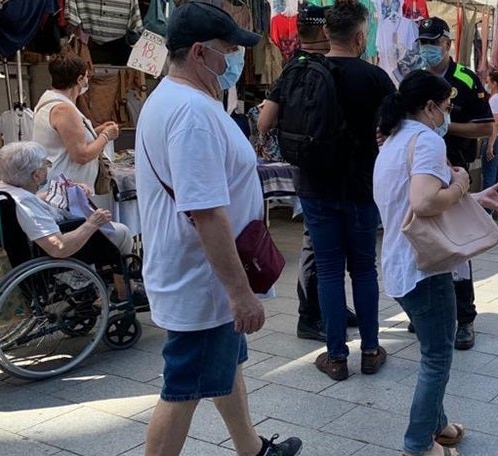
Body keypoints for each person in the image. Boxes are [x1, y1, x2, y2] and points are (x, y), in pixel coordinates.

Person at [135, 3, 302, 455]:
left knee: (225, 366)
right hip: (204, 279)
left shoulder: (173, 99)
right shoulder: (192, 113)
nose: (236, 59)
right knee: (183, 388)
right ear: (198, 53)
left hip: (198, 273)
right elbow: (206, 212)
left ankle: (252, 449)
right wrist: (239, 293)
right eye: (229, 49)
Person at [373, 70, 498, 456]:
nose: (448, 115)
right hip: (426, 267)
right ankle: (418, 445)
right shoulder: (426, 141)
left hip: (402, 263)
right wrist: (462, 185)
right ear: (431, 107)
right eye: (448, 107)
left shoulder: (393, 140)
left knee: (434, 348)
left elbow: (412, 199)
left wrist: (469, 196)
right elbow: (424, 203)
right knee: (437, 357)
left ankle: (440, 427)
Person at [264, 1, 393, 380]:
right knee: (365, 270)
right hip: (361, 188)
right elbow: (396, 130)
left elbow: (266, 121)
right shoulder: (375, 78)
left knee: (330, 271)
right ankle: (370, 350)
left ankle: (336, 356)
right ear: (359, 36)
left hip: (316, 186)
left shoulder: (298, 70)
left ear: (325, 33)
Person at [256, 3, 359, 343]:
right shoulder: (336, 67)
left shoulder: (292, 68)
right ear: (325, 31)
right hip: (341, 169)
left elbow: (263, 122)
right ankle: (311, 316)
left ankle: (324, 309)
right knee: (326, 246)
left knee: (316, 243)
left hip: (305, 169)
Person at [419, 16, 493, 350]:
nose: (428, 49)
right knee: (425, 244)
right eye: (423, 43)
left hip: (456, 171)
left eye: (434, 43)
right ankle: (428, 313)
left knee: (458, 246)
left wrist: (448, 129)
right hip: (421, 171)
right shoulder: (416, 77)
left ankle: (465, 318)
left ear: (448, 44)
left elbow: (485, 127)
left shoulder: (464, 79)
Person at [0, 141, 136, 302]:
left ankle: (91, 289)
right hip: (53, 254)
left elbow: (30, 202)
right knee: (122, 233)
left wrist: (60, 192)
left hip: (27, 252)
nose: (47, 169)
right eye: (45, 166)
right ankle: (125, 293)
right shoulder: (25, 203)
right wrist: (92, 223)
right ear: (36, 175)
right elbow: (58, 248)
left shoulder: (5, 192)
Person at [31, 53, 120, 210]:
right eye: (86, 77)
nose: (87, 81)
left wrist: (96, 132)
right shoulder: (64, 109)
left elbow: (66, 139)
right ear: (79, 80)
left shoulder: (48, 102)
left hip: (58, 188)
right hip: (67, 194)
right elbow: (81, 155)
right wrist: (106, 136)